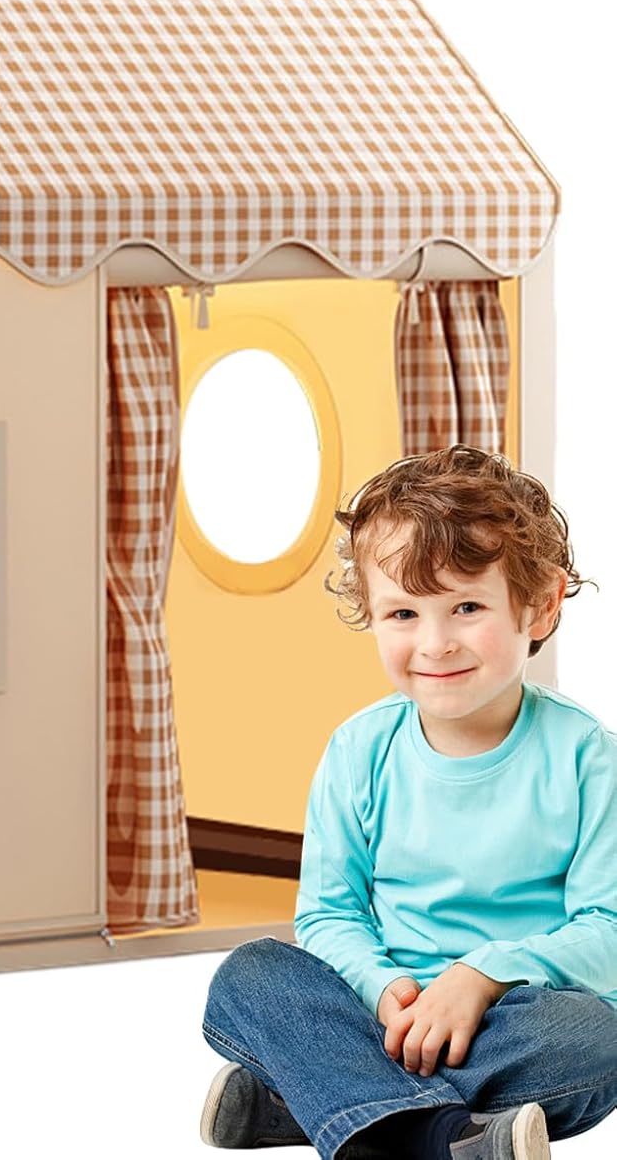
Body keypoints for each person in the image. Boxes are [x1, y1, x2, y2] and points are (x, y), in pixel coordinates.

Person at [198, 446, 617, 1159]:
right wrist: (385, 987)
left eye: (467, 606)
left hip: (509, 1017)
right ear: (371, 613)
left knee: (595, 1037)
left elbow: (606, 929)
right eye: (402, 612)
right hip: (381, 1014)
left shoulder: (587, 757)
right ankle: (440, 1136)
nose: (435, 642)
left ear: (540, 605)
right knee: (251, 975)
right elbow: (329, 916)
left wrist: (481, 977)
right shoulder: (358, 750)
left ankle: (327, 1103)